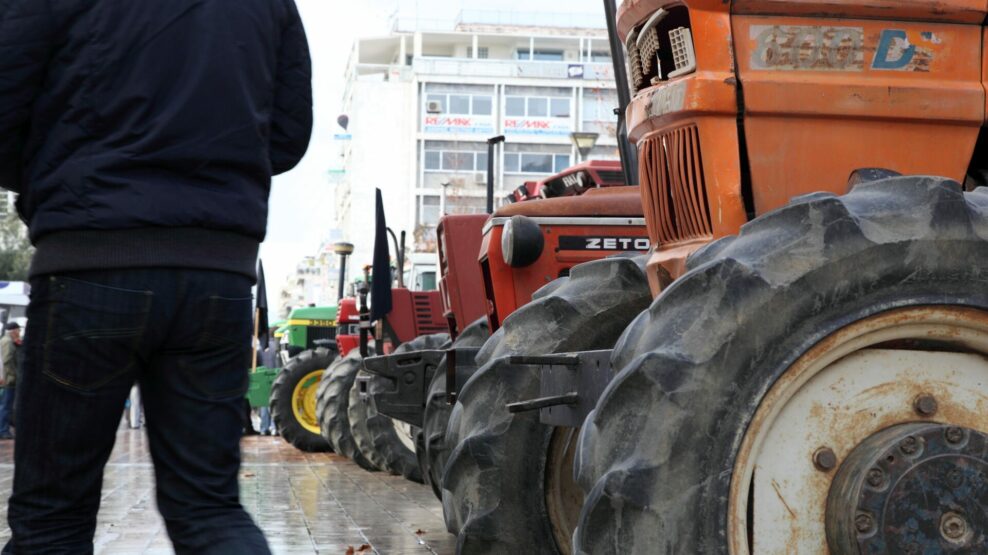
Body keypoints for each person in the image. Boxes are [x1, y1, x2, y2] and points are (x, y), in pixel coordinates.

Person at [0, 1, 312, 553]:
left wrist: (60, 172)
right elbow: (288, 133)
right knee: (209, 508)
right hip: (216, 268)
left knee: (52, 518)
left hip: (90, 256)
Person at [0, 322, 22, 440]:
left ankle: (4, 429)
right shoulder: (7, 342)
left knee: (6, 405)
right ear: (13, 331)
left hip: (8, 378)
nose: (19, 333)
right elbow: (7, 360)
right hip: (9, 379)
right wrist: (13, 376)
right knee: (6, 406)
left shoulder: (8, 341)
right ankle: (3, 430)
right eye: (18, 330)